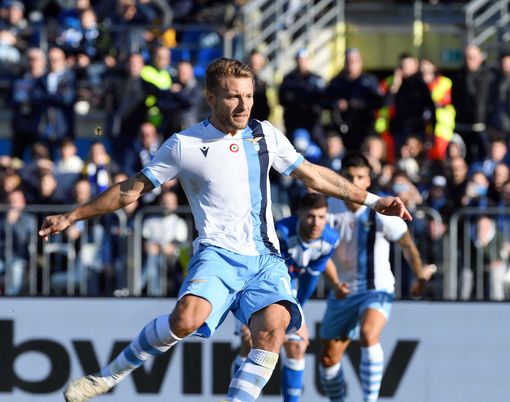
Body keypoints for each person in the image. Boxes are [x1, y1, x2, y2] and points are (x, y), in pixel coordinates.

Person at [41, 57, 412, 402]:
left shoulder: (265, 135)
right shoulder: (184, 145)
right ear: (211, 98)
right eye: (233, 97)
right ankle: (109, 375)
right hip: (217, 254)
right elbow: (130, 190)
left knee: (274, 328)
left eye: (249, 96)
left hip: (265, 258)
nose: (243, 105)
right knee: (185, 320)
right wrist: (72, 215)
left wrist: (374, 200)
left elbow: (313, 176)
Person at [318, 152, 427, 402]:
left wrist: (420, 277)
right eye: (349, 176)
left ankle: (370, 400)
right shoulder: (329, 208)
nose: (355, 181)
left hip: (376, 287)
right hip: (343, 290)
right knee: (328, 359)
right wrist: (335, 283)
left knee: (368, 334)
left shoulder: (380, 208)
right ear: (340, 179)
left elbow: (407, 244)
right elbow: (318, 251)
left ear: (368, 180)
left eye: (360, 176)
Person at [233, 192, 345, 402]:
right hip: (258, 285)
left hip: (289, 290)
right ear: (300, 214)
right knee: (250, 343)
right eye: (311, 216)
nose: (316, 223)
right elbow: (261, 270)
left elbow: (311, 278)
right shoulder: (280, 233)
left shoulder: (330, 239)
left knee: (296, 345)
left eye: (321, 217)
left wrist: (297, 313)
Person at [452, 44, 492, 163]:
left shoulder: (489, 77)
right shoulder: (459, 77)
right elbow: (455, 99)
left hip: (483, 126)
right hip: (463, 125)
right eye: (466, 57)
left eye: (472, 57)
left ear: (480, 58)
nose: (468, 61)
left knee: (484, 158)